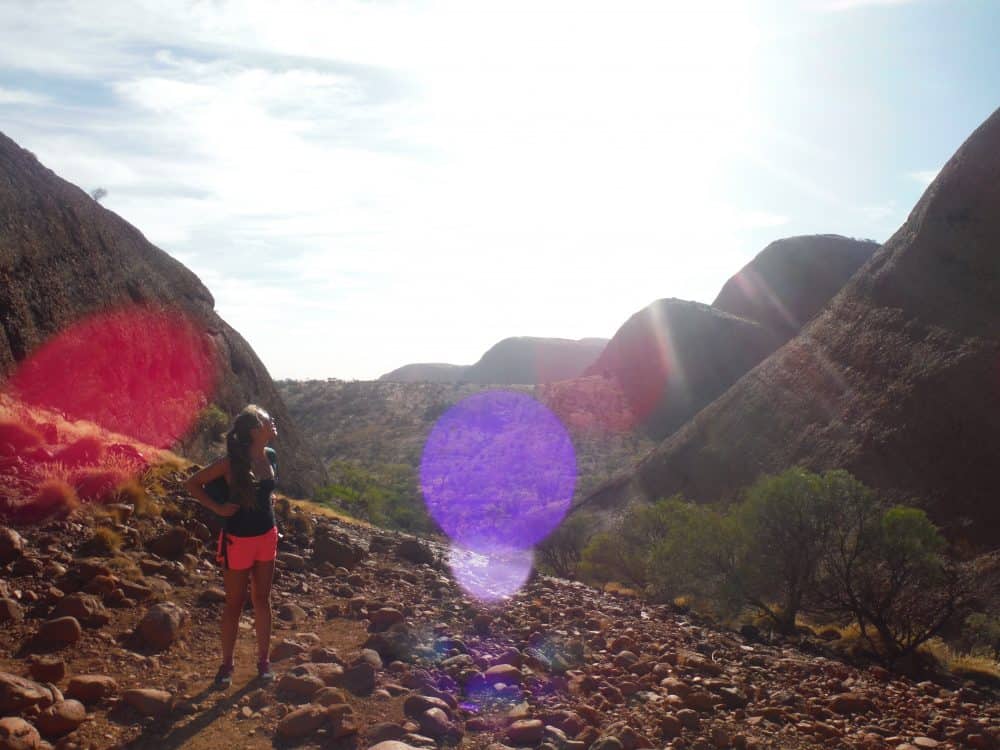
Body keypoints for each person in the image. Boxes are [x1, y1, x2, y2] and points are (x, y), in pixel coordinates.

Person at [184, 404, 279, 687]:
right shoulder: (231, 463)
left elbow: (266, 495)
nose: (273, 423)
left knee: (262, 600)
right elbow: (193, 483)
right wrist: (219, 509)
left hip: (266, 537)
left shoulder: (271, 456)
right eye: (267, 420)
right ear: (254, 431)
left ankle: (263, 662)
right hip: (238, 540)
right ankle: (227, 665)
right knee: (234, 604)